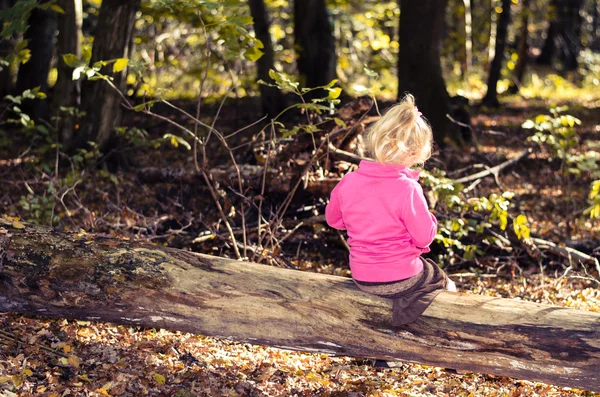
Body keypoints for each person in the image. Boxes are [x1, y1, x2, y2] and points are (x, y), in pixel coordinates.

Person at [325, 93, 456, 326]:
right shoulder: (407, 189)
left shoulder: (349, 181)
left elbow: (333, 220)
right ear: (414, 152)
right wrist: (431, 221)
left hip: (361, 275)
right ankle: (443, 339)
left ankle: (385, 353)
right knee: (442, 282)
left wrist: (358, 220)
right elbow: (424, 235)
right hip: (401, 276)